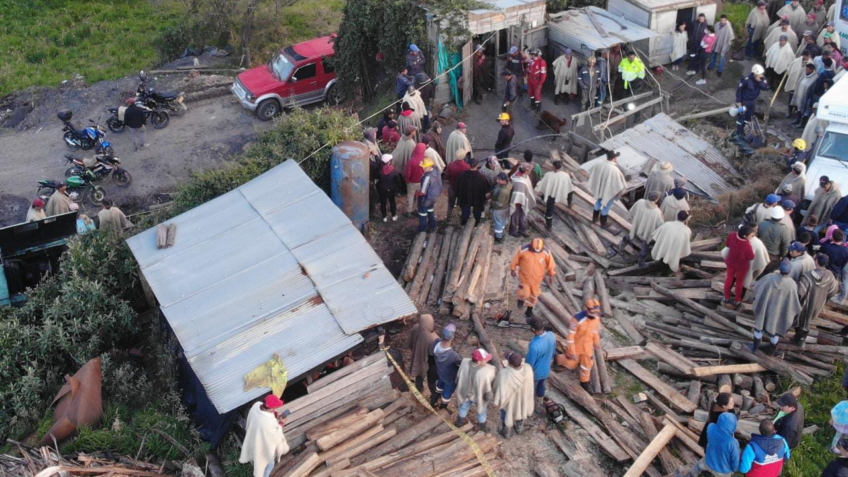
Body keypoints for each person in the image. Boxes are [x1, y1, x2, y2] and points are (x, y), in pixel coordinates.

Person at [752, 258, 801, 354]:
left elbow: (757, 287)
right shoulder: (792, 284)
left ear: (780, 268)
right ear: (789, 271)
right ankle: (771, 351)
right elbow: (794, 302)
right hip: (779, 312)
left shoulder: (769, 277)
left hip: (765, 309)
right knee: (776, 329)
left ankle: (754, 347)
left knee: (759, 328)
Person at [239, 395, 290, 477]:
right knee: (269, 465)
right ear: (271, 408)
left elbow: (265, 414)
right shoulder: (265, 422)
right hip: (263, 446)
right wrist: (281, 423)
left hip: (253, 437)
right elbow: (275, 436)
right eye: (275, 407)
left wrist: (275, 414)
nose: (276, 409)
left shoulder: (257, 405)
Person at [796, 253, 839, 345]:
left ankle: (799, 340)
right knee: (809, 319)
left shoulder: (807, 276)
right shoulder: (830, 275)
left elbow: (800, 293)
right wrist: (825, 297)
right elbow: (833, 290)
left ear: (816, 261)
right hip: (819, 303)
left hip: (806, 304)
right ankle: (802, 339)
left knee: (802, 320)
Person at [561, 299, 603, 393]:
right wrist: (572, 351)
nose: (594, 315)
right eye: (593, 313)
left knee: (587, 365)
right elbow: (570, 336)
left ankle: (584, 382)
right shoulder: (577, 319)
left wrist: (596, 343)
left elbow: (595, 331)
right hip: (576, 346)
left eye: (596, 313)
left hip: (588, 347)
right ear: (588, 310)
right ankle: (557, 360)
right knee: (570, 364)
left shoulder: (597, 318)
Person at [493, 352, 535, 439]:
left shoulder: (504, 373)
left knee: (506, 414)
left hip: (509, 403)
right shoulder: (528, 369)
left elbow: (497, 387)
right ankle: (519, 428)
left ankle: (506, 432)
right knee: (520, 411)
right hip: (523, 399)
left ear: (509, 363)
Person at [511, 238, 556, 318]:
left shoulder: (546, 252)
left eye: (538, 251)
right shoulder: (523, 249)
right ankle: (521, 300)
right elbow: (515, 260)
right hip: (524, 277)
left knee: (534, 295)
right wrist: (513, 269)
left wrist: (551, 275)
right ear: (530, 245)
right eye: (534, 250)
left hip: (537, 279)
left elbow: (551, 265)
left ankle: (529, 310)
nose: (536, 252)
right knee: (524, 292)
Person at [455, 349, 497, 432]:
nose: (487, 360)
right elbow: (488, 391)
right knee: (482, 411)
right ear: (478, 362)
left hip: (465, 393)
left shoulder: (464, 363)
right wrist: (489, 397)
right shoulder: (488, 371)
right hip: (479, 396)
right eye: (485, 360)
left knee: (463, 407)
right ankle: (482, 427)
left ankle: (460, 422)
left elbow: (458, 378)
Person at [623, 191, 664, 265]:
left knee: (630, 234)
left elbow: (632, 211)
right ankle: (640, 262)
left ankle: (622, 244)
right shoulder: (657, 212)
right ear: (656, 200)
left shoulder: (640, 202)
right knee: (646, 246)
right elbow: (660, 226)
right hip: (647, 232)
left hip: (636, 226)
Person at [588, 150, 626, 228]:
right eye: (616, 157)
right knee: (606, 207)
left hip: (600, 189)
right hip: (608, 191)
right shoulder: (615, 170)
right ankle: (603, 224)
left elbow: (592, 171)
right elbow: (620, 185)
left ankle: (594, 219)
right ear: (614, 158)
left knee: (598, 202)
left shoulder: (599, 163)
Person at [535, 160, 575, 230]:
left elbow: (542, 185)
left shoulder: (548, 175)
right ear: (561, 167)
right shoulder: (565, 175)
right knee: (570, 190)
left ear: (553, 167)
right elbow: (569, 186)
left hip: (550, 195)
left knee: (549, 210)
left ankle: (549, 226)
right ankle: (569, 203)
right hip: (559, 192)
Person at [409, 314, 439, 405]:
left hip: (418, 359)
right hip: (430, 363)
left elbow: (410, 342)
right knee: (432, 382)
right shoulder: (433, 338)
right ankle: (434, 398)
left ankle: (419, 390)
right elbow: (433, 354)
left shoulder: (415, 328)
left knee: (419, 376)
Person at [724, 225, 757, 308]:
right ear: (745, 236)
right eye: (752, 235)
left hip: (731, 262)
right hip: (742, 266)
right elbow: (751, 257)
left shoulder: (732, 235)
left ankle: (726, 297)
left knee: (729, 279)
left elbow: (727, 244)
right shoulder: (747, 245)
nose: (753, 237)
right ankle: (737, 300)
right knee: (739, 282)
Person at [525, 316, 557, 401]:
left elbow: (529, 364)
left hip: (536, 373)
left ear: (533, 329)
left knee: (531, 388)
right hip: (546, 369)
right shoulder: (551, 336)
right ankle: (540, 400)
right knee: (541, 386)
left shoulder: (534, 345)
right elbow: (554, 352)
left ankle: (529, 403)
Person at [735, 64, 770, 137]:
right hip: (744, 102)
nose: (761, 75)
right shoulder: (746, 80)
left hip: (752, 102)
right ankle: (738, 132)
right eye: (759, 74)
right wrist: (739, 102)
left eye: (761, 74)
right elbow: (739, 91)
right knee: (741, 117)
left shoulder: (761, 79)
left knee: (749, 117)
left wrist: (759, 81)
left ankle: (744, 131)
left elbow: (765, 88)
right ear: (754, 73)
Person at [433, 324, 462, 410]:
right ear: (452, 338)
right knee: (447, 393)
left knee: (439, 385)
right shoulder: (454, 356)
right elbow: (461, 366)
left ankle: (434, 399)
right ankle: (443, 407)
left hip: (440, 372)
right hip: (450, 378)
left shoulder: (436, 342)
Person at [456, 158, 490, 226]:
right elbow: (486, 189)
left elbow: (457, 186)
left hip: (465, 197)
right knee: (477, 212)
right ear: (477, 165)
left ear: (469, 165)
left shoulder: (462, 175)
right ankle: (476, 224)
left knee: (465, 212)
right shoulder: (481, 177)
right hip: (477, 198)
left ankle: (464, 224)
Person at [509, 163, 536, 237]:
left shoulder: (519, 174)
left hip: (522, 198)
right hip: (517, 200)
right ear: (526, 171)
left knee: (522, 215)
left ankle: (522, 230)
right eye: (529, 170)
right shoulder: (520, 181)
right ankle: (513, 230)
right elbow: (519, 192)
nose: (530, 171)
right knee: (516, 214)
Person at [416, 158, 442, 233]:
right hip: (434, 196)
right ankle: (433, 226)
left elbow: (423, 192)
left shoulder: (427, 177)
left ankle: (422, 229)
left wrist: (417, 193)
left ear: (428, 167)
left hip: (426, 198)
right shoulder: (437, 171)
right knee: (430, 210)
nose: (423, 168)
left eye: (424, 167)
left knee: (422, 212)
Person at [445, 149, 471, 219]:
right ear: (464, 156)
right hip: (462, 189)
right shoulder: (467, 167)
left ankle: (448, 218)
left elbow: (446, 176)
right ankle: (463, 218)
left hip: (452, 187)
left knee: (450, 204)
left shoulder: (450, 165)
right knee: (463, 204)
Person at [377, 154, 401, 222]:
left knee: (383, 203)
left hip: (382, 190)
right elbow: (398, 182)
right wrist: (397, 189)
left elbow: (378, 179)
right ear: (389, 161)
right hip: (391, 189)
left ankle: (384, 217)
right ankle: (393, 216)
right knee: (392, 202)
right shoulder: (394, 171)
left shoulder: (380, 171)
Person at [405, 143, 426, 216]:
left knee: (410, 196)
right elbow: (429, 171)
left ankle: (409, 211)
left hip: (412, 182)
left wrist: (407, 180)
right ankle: (418, 209)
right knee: (419, 197)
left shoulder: (411, 160)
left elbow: (408, 172)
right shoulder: (426, 159)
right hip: (422, 183)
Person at [491, 172, 512, 243]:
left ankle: (498, 237)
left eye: (499, 180)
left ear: (504, 180)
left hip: (499, 209)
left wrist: (491, 201)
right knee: (502, 221)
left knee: (498, 222)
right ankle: (502, 232)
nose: (497, 181)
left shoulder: (503, 192)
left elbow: (499, 204)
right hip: (506, 207)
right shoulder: (508, 185)